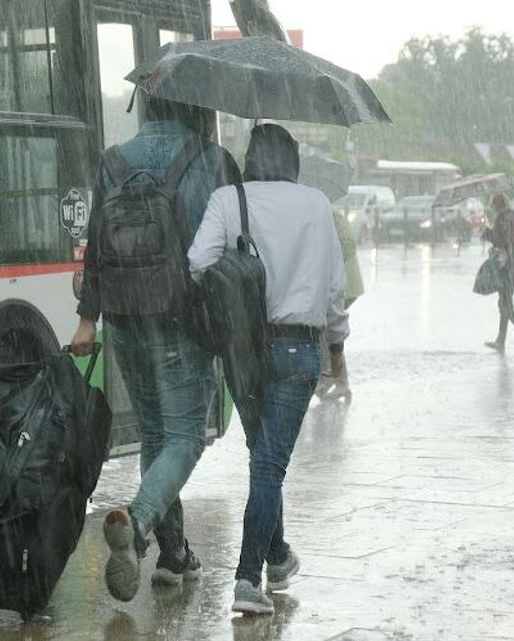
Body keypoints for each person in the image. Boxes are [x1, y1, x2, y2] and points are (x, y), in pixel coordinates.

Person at [69, 94, 240, 602]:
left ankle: (173, 554)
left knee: (156, 437)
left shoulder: (114, 160)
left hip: (123, 318)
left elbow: (96, 248)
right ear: (196, 106)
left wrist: (87, 319)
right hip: (180, 318)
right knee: (185, 438)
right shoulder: (209, 159)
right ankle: (139, 526)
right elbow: (231, 245)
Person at [188, 124, 348, 615]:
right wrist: (336, 347)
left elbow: (197, 262)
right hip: (298, 349)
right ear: (293, 160)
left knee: (263, 459)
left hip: (243, 348)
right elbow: (335, 288)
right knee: (269, 465)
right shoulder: (316, 205)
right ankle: (246, 578)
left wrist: (241, 274)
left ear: (252, 157)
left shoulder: (228, 198)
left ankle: (277, 558)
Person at [315, 209, 364, 400]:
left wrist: (328, 258)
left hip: (345, 284)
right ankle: (330, 379)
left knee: (327, 329)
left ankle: (339, 381)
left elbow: (348, 243)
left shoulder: (331, 214)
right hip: (334, 284)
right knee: (325, 330)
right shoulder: (321, 213)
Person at [482, 193, 514, 354]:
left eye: (493, 205)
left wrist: (485, 232)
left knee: (506, 304)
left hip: (507, 265)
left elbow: (501, 241)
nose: (492, 208)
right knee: (504, 302)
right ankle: (501, 340)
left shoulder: (502, 219)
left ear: (496, 206)